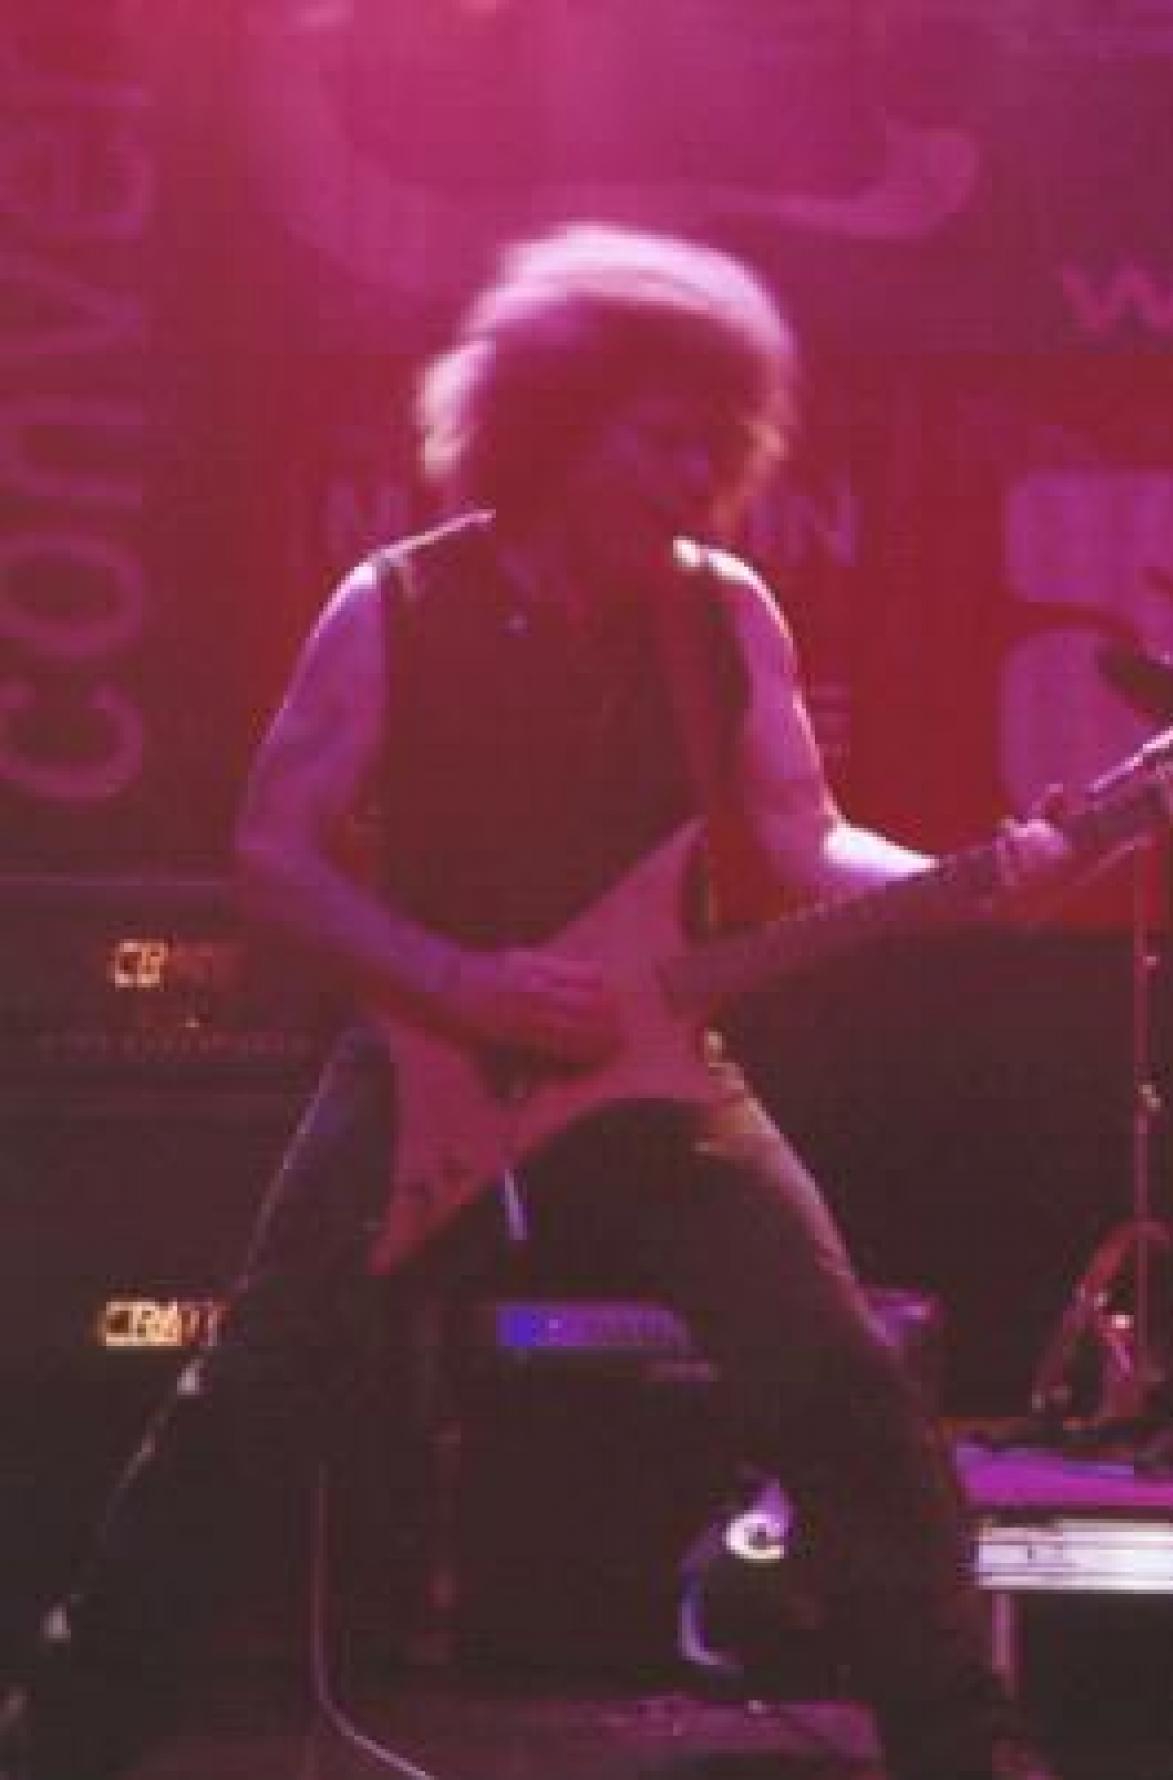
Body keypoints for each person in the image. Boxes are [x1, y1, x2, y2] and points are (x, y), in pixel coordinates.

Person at [1, 222, 1068, 1780]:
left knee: (840, 1382)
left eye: (713, 443)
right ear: (557, 426)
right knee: (249, 1404)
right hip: (429, 1062)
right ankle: (65, 1739)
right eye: (659, 438)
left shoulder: (722, 615)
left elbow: (800, 841)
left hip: (658, 1077)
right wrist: (458, 980)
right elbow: (272, 858)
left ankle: (966, 1748)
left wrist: (970, 877)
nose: (693, 474)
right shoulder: (397, 605)